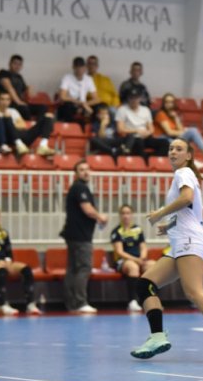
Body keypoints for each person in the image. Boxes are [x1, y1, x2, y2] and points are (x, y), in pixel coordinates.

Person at [131, 139, 203, 363]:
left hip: (189, 241)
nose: (173, 152)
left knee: (194, 292)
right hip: (181, 242)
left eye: (179, 149)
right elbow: (199, 216)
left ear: (189, 156)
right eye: (171, 149)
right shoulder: (188, 176)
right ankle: (157, 337)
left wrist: (160, 214)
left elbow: (186, 199)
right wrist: (169, 226)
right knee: (145, 285)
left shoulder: (183, 173)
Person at [0, 205, 41, 316]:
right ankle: (2, 304)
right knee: (1, 270)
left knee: (26, 269)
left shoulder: (4, 233)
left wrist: (8, 261)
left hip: (4, 262)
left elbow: (8, 251)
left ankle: (30, 304)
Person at [61, 160, 108, 313]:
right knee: (83, 268)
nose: (86, 172)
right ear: (76, 173)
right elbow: (87, 209)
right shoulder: (80, 187)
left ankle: (72, 304)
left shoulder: (77, 187)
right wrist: (100, 217)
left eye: (87, 169)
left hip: (74, 234)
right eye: (81, 170)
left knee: (73, 269)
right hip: (80, 236)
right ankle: (80, 303)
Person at [110, 204, 154, 313]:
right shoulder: (116, 231)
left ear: (132, 215)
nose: (125, 216)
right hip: (123, 261)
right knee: (133, 267)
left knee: (153, 265)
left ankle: (151, 300)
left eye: (128, 213)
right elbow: (120, 252)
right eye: (123, 213)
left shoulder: (138, 229)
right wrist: (136, 260)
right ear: (120, 215)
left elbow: (143, 247)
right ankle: (133, 301)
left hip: (139, 259)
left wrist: (142, 258)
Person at [154, 93, 203, 162]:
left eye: (171, 102)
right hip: (163, 140)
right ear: (163, 103)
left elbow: (181, 129)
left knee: (192, 132)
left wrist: (176, 118)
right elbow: (170, 132)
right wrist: (183, 132)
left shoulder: (173, 115)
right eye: (167, 102)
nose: (169, 104)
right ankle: (195, 159)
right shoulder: (161, 114)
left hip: (172, 139)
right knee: (191, 132)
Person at [0, 92, 56, 157]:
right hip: (7, 137)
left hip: (21, 135)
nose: (5, 102)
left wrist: (11, 125)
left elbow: (22, 125)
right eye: (2, 99)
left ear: (10, 101)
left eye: (7, 99)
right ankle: (18, 143)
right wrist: (8, 121)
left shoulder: (13, 111)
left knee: (48, 118)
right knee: (7, 118)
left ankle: (43, 145)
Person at [116, 88, 170, 160]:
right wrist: (136, 131)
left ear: (140, 98)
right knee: (138, 142)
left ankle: (149, 158)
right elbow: (120, 129)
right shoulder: (122, 109)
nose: (134, 100)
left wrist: (147, 133)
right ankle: (143, 159)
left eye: (136, 97)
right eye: (131, 97)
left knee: (165, 143)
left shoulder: (145, 110)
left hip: (145, 137)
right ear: (128, 98)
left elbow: (151, 128)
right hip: (131, 138)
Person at [0, 54, 46, 119]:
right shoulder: (3, 73)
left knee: (42, 107)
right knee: (24, 108)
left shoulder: (19, 77)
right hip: (9, 104)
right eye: (15, 63)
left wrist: (29, 88)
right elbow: (9, 88)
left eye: (19, 64)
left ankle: (39, 124)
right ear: (9, 64)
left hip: (20, 103)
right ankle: (27, 125)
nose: (17, 66)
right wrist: (18, 102)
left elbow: (25, 90)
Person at [58, 57, 97, 123]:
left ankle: (95, 127)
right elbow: (62, 96)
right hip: (71, 103)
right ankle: (71, 126)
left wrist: (85, 104)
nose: (80, 70)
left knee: (100, 107)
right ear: (73, 67)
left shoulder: (88, 79)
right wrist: (78, 102)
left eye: (81, 68)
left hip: (83, 104)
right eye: (77, 68)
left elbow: (96, 98)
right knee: (67, 106)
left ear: (85, 68)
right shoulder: (67, 78)